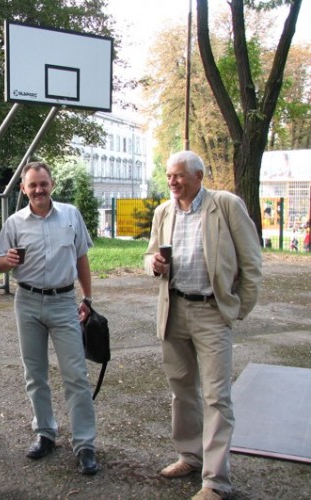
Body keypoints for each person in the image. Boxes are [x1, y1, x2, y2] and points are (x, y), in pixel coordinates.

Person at [144, 151, 262, 500]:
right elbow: (149, 254)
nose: (172, 181)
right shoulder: (164, 212)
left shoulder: (225, 206)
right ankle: (189, 456)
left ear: (198, 176)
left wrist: (236, 309)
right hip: (174, 308)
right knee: (182, 390)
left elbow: (252, 263)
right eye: (169, 176)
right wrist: (154, 264)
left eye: (178, 175)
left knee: (216, 397)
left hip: (212, 312)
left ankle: (215, 481)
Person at [0, 161, 100, 475]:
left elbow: (81, 257)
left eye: (43, 183)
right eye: (32, 185)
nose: (38, 190)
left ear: (52, 184)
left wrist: (88, 298)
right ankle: (45, 433)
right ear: (23, 189)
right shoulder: (14, 222)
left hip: (64, 301)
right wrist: (6, 260)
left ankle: (85, 444)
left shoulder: (71, 215)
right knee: (35, 374)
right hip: (26, 301)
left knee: (76, 376)